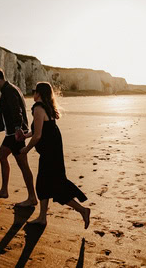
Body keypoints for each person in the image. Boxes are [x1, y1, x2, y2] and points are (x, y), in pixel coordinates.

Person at [20, 82, 90, 228]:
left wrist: (26, 150)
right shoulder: (47, 107)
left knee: (51, 185)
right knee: (49, 184)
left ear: (38, 93)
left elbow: (38, 135)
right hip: (54, 149)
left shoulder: (38, 109)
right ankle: (43, 217)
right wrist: (25, 136)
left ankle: (82, 210)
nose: (33, 93)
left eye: (34, 91)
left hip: (49, 152)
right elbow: (38, 130)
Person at [0, 68, 38, 207]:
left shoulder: (9, 90)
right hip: (12, 133)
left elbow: (17, 110)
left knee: (23, 165)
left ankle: (32, 197)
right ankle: (4, 190)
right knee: (2, 155)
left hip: (15, 134)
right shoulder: (9, 89)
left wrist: (18, 129)